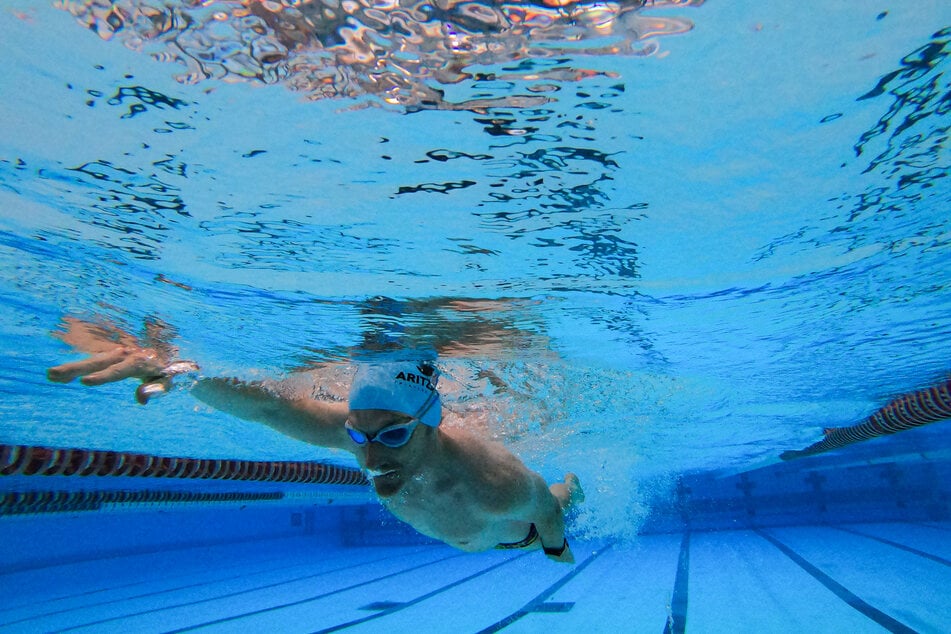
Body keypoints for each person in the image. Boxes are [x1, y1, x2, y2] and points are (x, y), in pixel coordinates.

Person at [46, 318, 584, 563]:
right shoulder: (362, 438)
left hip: (516, 534)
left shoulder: (497, 484)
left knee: (557, 498)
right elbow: (266, 404)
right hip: (469, 531)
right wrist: (180, 370)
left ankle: (575, 484)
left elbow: (546, 517)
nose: (370, 457)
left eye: (393, 435)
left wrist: (556, 549)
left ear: (432, 422)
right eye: (358, 433)